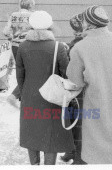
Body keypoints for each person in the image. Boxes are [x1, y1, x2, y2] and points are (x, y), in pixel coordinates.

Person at [67, 5, 112, 164]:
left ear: (89, 24)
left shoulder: (80, 47)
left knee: (98, 147)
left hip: (97, 102)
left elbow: (75, 81)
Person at [15, 10, 74, 165]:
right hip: (52, 98)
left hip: (29, 96)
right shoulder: (58, 47)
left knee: (31, 133)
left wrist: (24, 93)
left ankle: (34, 165)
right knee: (51, 135)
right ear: (50, 26)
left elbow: (20, 75)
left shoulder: (22, 47)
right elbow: (66, 75)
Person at [60, 12, 86, 164]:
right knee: (75, 121)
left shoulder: (78, 44)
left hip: (78, 88)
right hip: (76, 88)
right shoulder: (78, 42)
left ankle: (77, 155)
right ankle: (72, 151)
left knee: (76, 122)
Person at [4, 0, 34, 104]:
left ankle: (21, 95)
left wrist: (11, 38)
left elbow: (6, 31)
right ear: (30, 6)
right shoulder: (33, 16)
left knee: (20, 70)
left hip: (15, 46)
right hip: (28, 45)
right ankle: (17, 95)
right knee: (29, 71)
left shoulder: (13, 15)